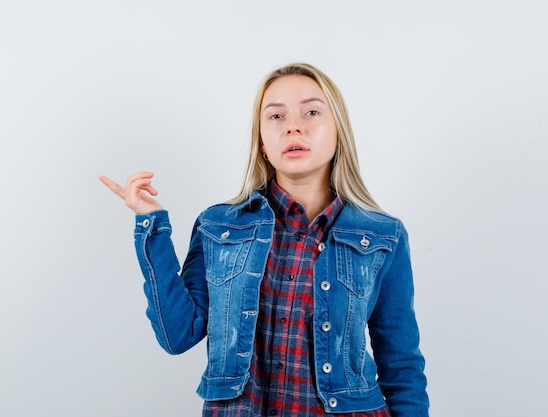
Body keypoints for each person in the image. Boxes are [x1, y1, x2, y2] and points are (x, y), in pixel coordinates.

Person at [99, 63, 429, 417]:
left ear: (338, 133)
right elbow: (177, 335)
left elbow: (401, 366)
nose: (293, 126)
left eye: (312, 112)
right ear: (262, 142)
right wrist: (151, 224)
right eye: (276, 116)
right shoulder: (218, 227)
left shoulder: (383, 235)